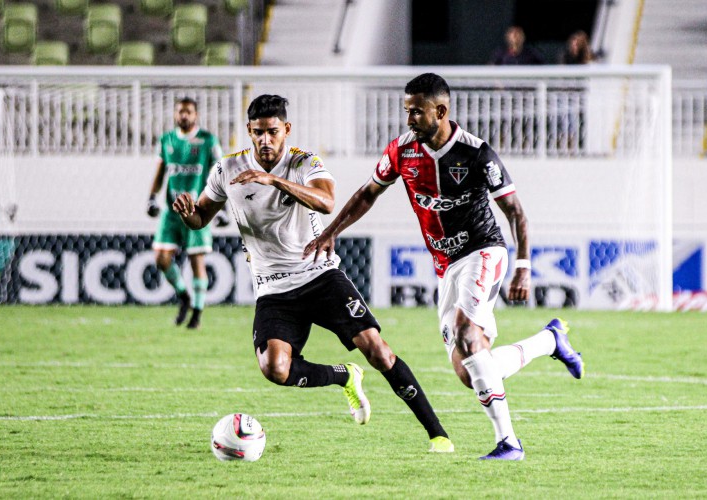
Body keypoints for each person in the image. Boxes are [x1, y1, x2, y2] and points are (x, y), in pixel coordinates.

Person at [304, 73, 585, 461]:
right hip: (447, 267)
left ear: (440, 110)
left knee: (467, 333)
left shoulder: (475, 153)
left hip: (484, 252)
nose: (408, 120)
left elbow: (514, 210)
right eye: (406, 112)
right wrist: (331, 231)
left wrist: (523, 265)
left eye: (416, 112)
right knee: (471, 371)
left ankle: (510, 444)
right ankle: (550, 340)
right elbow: (367, 193)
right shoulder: (401, 151)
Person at [172, 94, 454, 453]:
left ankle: (438, 434)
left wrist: (273, 181)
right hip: (272, 289)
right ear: (249, 131)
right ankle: (344, 376)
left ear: (286, 130)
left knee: (378, 351)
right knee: (275, 369)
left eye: (273, 132)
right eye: (258, 133)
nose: (265, 140)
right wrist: (188, 215)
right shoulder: (226, 169)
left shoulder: (304, 162)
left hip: (319, 276)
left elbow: (327, 201)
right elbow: (200, 219)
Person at [147, 97, 224, 330]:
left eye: (188, 112)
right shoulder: (167, 140)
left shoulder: (208, 141)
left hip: (197, 210)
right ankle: (184, 295)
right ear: (174, 114)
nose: (184, 116)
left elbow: (221, 173)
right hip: (172, 210)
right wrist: (152, 197)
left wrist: (222, 208)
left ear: (196, 115)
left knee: (195, 260)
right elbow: (161, 172)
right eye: (180, 111)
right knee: (161, 258)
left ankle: (197, 313)